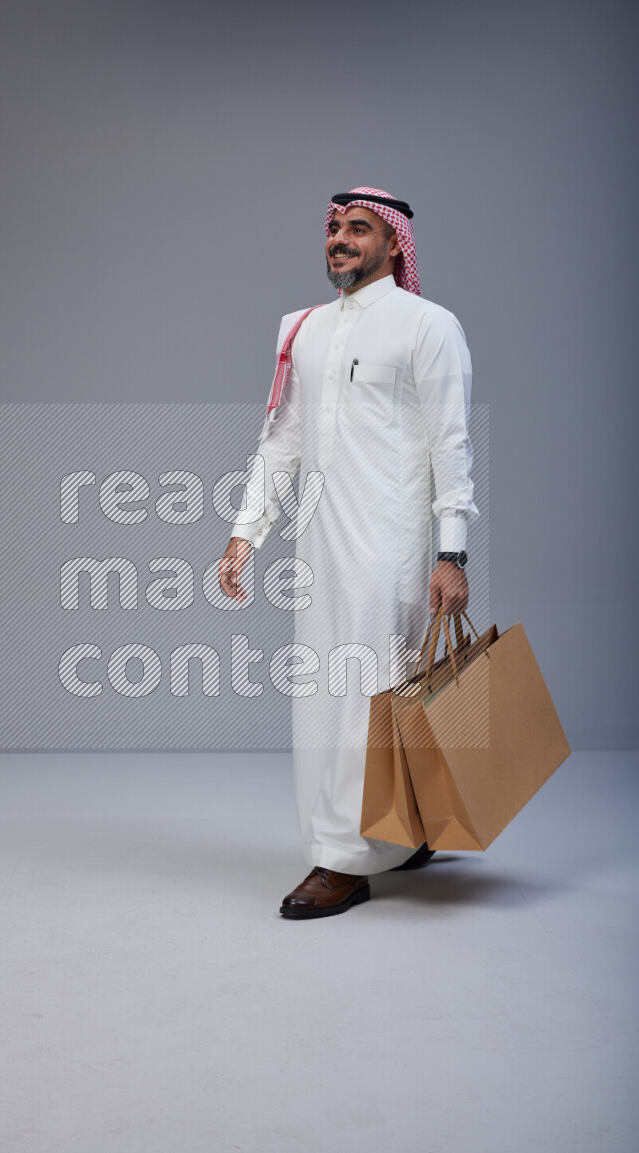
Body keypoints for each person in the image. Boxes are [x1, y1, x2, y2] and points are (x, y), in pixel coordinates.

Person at [218, 186, 479, 919]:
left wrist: (452, 552)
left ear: (395, 244)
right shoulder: (302, 329)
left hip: (391, 544)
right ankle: (402, 833)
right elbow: (283, 441)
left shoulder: (428, 326)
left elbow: (449, 442)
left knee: (366, 696)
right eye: (334, 227)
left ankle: (340, 860)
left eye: (358, 229)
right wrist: (247, 529)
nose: (340, 239)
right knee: (328, 694)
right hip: (319, 544)